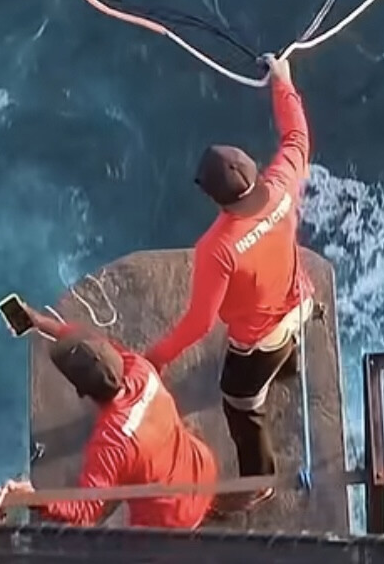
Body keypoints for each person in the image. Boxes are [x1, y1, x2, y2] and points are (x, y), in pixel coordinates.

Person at [144, 52, 313, 513]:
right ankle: (291, 369)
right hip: (300, 302)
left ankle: (258, 481)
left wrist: (154, 358)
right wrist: (282, 79)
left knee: (238, 403)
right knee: (285, 347)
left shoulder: (216, 248)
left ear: (213, 197)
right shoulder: (281, 184)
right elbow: (297, 134)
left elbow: (200, 325)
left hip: (260, 340)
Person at [0, 298, 217, 529]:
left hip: (171, 519)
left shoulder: (111, 443)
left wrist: (32, 496)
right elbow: (90, 342)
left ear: (81, 392)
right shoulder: (140, 369)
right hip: (203, 470)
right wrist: (39, 322)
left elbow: (83, 513)